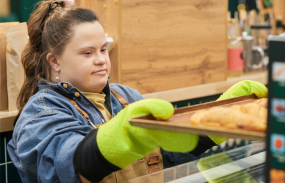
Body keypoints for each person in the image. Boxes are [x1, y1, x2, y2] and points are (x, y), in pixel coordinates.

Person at [7, 1, 268, 183]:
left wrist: (220, 115)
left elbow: (171, 155)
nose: (100, 60)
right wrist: (124, 135)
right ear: (55, 61)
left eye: (103, 49)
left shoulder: (126, 97)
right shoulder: (41, 112)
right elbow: (69, 165)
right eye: (87, 53)